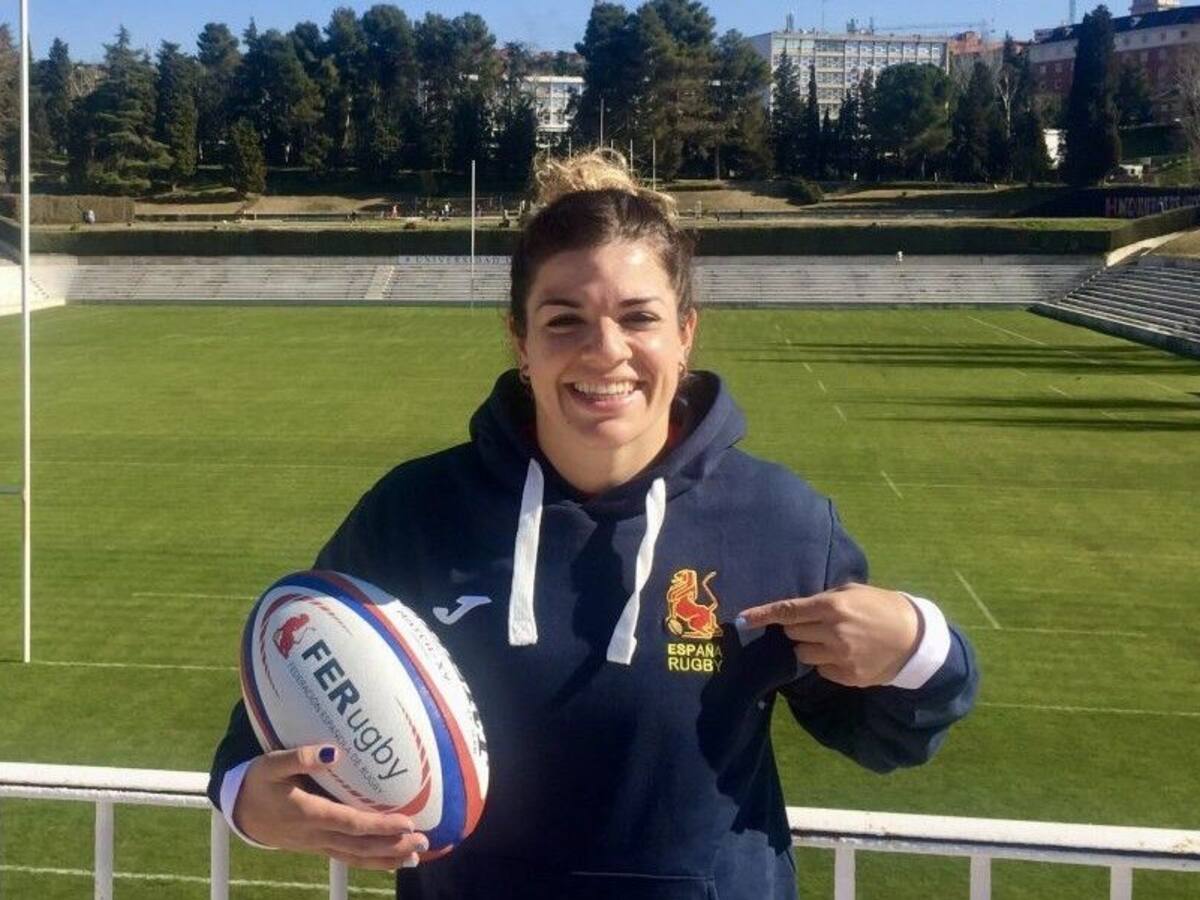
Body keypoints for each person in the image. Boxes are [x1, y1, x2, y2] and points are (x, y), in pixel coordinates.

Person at [208, 150, 978, 899]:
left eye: (639, 317)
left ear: (685, 334)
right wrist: (251, 802)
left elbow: (881, 735)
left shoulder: (779, 521)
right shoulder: (414, 512)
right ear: (521, 342)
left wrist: (921, 645)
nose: (605, 351)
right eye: (564, 321)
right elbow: (271, 724)